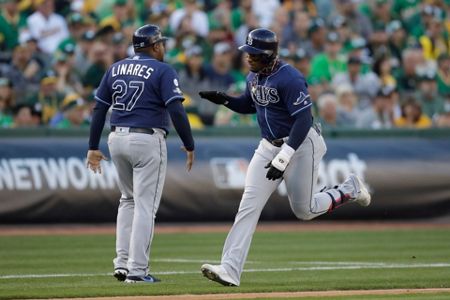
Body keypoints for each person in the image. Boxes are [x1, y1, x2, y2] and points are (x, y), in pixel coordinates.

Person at [198, 28, 371, 287]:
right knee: (248, 205)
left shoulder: (290, 77)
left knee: (305, 210)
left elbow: (303, 120)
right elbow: (250, 104)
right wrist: (225, 100)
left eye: (254, 53)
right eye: (248, 52)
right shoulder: (253, 75)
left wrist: (284, 158)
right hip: (268, 145)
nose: (248, 57)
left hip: (301, 145)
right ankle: (230, 270)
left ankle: (349, 189)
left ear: (268, 54)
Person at [86, 24, 195, 283]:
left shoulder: (115, 68)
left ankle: (122, 264)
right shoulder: (163, 69)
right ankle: (137, 270)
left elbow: (99, 109)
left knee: (128, 200)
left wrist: (92, 146)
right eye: (162, 44)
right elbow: (177, 110)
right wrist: (189, 144)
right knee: (145, 206)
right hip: (147, 137)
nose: (164, 47)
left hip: (116, 138)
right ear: (155, 46)